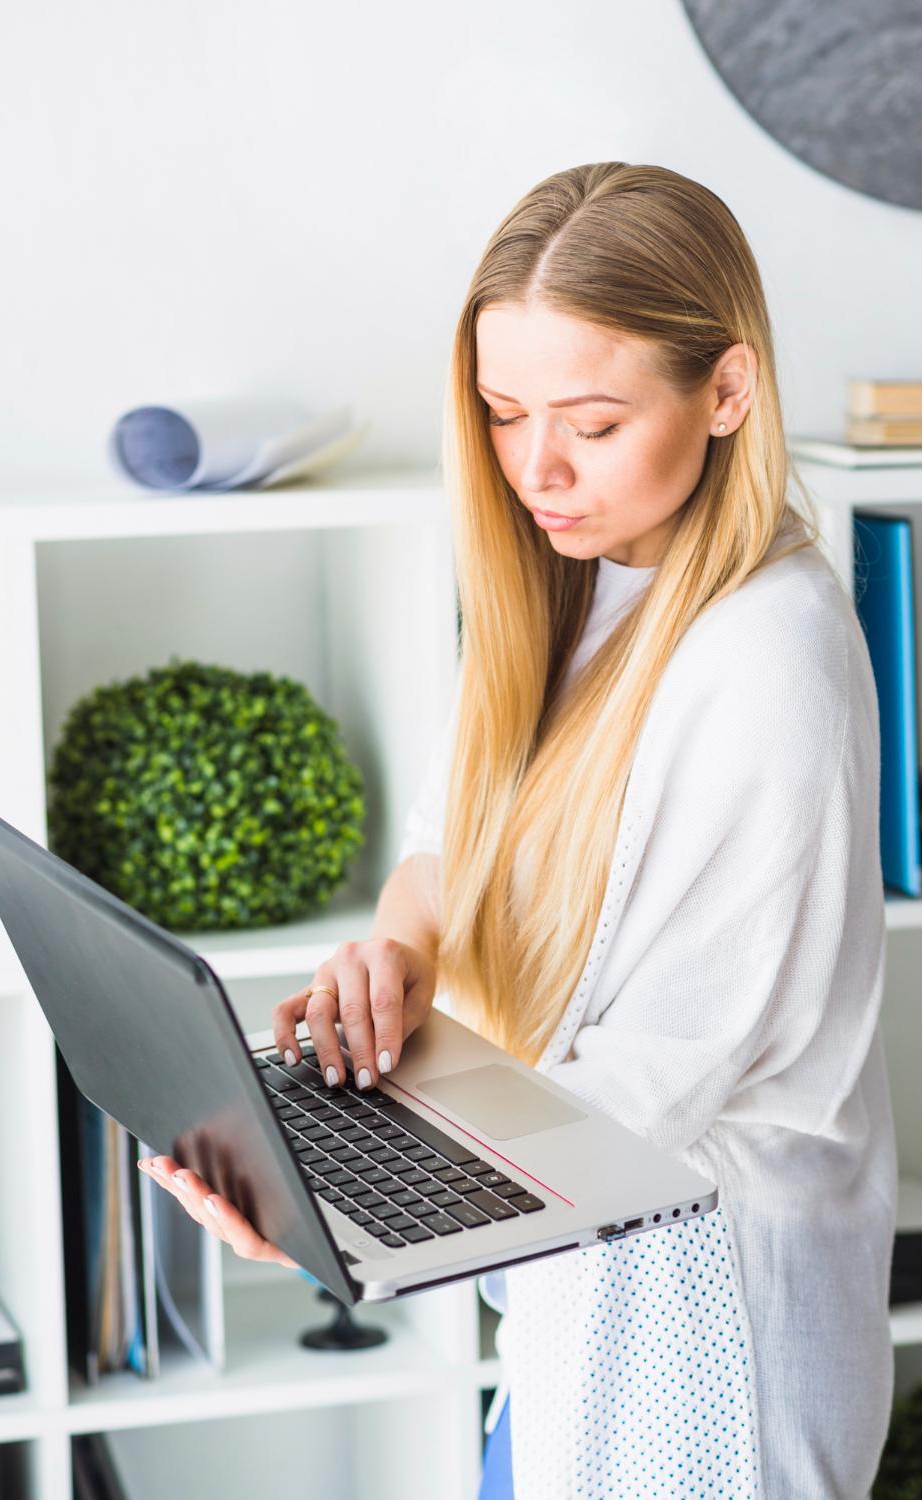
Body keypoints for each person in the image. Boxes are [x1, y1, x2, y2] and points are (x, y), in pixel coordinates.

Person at [141, 163, 896, 1500]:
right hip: (572, 1327)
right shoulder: (576, 584)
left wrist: (326, 1194)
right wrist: (399, 952)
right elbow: (448, 838)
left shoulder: (770, 660)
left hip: (708, 1371)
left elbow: (641, 1102)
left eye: (592, 423)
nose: (536, 469)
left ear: (726, 393)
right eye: (501, 414)